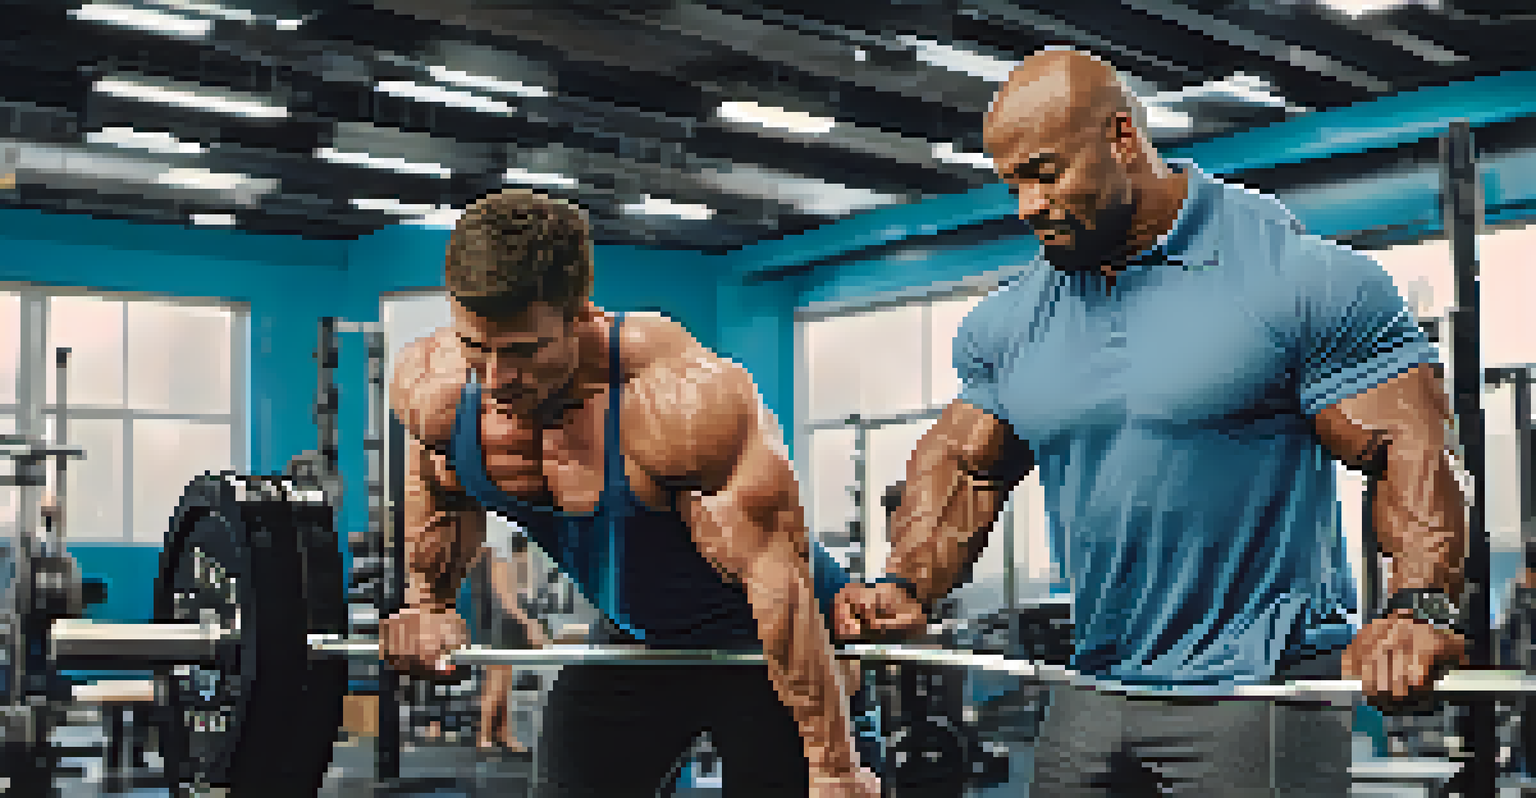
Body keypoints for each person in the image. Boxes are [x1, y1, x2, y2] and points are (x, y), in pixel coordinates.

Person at [834, 48, 1470, 796]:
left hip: (1254, 687)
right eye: (1013, 184)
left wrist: (1419, 605)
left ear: (1122, 139)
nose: (1026, 207)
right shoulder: (1011, 321)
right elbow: (967, 463)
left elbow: (1411, 441)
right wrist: (906, 582)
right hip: (1097, 680)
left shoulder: (1292, 276)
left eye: (1045, 172)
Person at [380, 188, 879, 797]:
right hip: (637, 635)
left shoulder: (680, 400)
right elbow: (437, 484)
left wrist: (833, 767)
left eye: (523, 352)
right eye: (476, 349)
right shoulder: (432, 386)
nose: (497, 380)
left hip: (768, 633)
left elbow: (776, 581)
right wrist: (428, 601)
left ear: (579, 316)